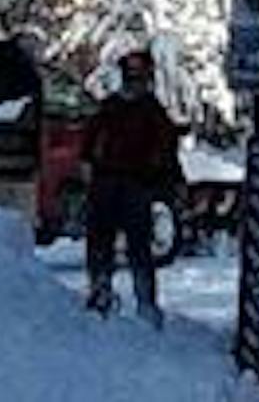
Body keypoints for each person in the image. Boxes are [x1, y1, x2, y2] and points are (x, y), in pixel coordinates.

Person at [81, 47, 182, 326]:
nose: (136, 82)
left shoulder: (149, 112)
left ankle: (140, 302)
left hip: (132, 184)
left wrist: (169, 180)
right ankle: (105, 294)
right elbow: (88, 147)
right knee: (111, 244)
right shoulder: (114, 109)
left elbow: (167, 150)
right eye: (132, 76)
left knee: (132, 246)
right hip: (115, 184)